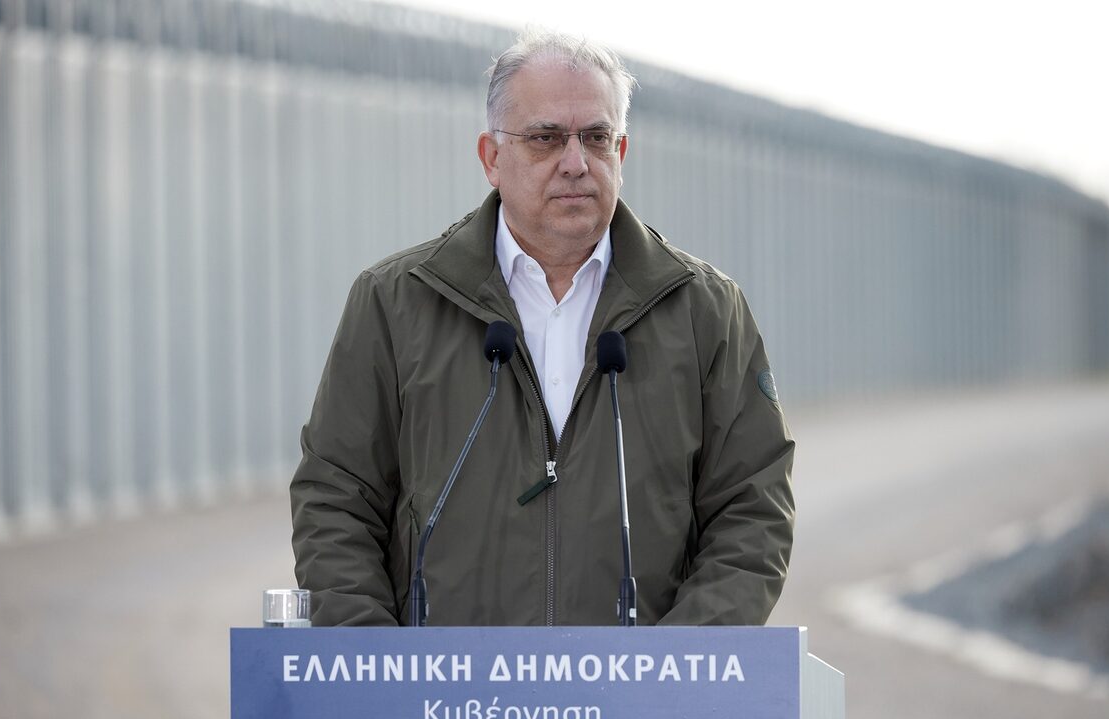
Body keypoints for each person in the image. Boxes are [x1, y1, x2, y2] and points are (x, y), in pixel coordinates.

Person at [291, 31, 794, 627]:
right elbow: (336, 499)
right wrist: (379, 663)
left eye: (596, 138)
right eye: (546, 138)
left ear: (621, 153)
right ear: (491, 157)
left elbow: (751, 510)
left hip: (639, 683)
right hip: (447, 684)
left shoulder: (704, 310)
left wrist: (673, 668)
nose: (576, 163)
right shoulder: (395, 302)